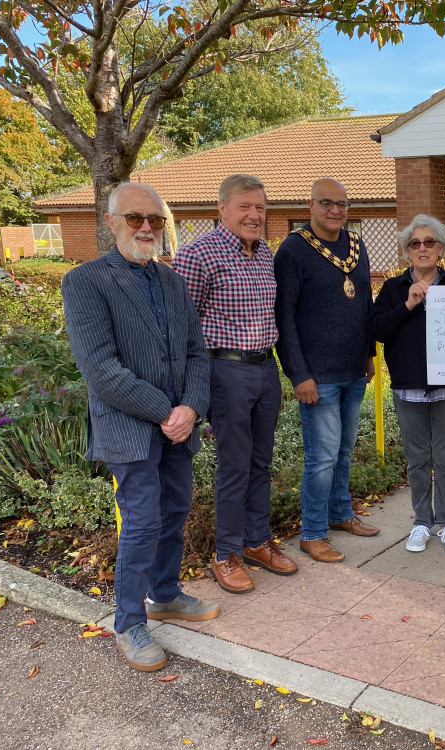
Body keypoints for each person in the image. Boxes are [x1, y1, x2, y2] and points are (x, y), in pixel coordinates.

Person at [62, 182, 217, 672]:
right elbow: (100, 369)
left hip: (177, 424)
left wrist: (191, 407)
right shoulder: (85, 281)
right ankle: (128, 621)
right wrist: (166, 411)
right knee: (143, 521)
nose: (147, 227)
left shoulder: (172, 281)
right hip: (130, 425)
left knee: (176, 509)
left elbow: (196, 351)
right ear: (111, 223)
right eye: (134, 218)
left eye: (154, 219)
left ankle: (165, 594)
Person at [174, 174, 297, 595]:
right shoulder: (197, 254)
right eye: (244, 206)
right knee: (234, 465)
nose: (254, 215)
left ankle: (256, 541)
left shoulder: (266, 254)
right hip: (225, 371)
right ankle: (225, 553)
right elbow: (181, 327)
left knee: (261, 462)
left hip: (265, 369)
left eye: (260, 207)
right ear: (222, 209)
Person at [274, 178, 378, 564]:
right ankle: (312, 532)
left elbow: (364, 300)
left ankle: (340, 514)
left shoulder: (356, 245)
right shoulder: (292, 251)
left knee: (344, 450)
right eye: (327, 203)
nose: (336, 210)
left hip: (353, 369)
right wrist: (298, 374)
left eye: (342, 204)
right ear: (311, 205)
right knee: (321, 457)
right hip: (317, 376)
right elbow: (283, 317)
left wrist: (368, 354)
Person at [371, 215, 445, 555]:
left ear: (440, 249)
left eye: (429, 242)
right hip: (408, 388)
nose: (422, 248)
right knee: (416, 459)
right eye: (415, 243)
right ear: (407, 251)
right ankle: (421, 523)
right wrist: (409, 304)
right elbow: (378, 329)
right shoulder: (393, 289)